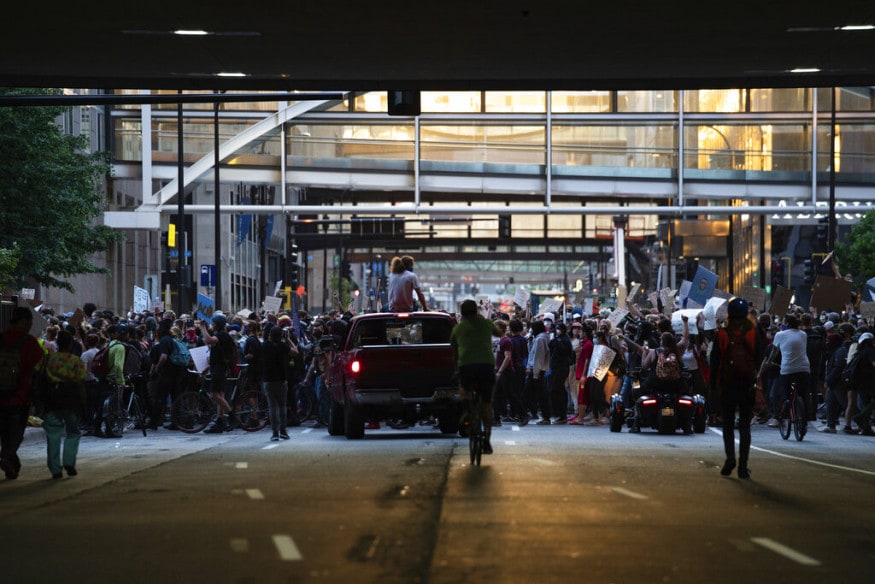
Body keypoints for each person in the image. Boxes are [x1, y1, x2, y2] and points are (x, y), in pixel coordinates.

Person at [713, 297, 763, 479]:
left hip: (728, 384)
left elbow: (715, 362)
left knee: (727, 424)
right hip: (747, 384)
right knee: (744, 426)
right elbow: (759, 357)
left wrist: (713, 386)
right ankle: (743, 465)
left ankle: (730, 459)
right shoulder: (754, 332)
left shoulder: (722, 334)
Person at [450, 299, 503, 454]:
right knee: (487, 403)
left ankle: (466, 408)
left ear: (462, 312)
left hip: (466, 366)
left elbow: (454, 350)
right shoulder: (485, 324)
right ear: (476, 311)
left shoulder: (458, 328)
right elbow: (499, 333)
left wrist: (456, 369)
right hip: (486, 366)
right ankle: (486, 438)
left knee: (464, 387)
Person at [0, 307, 45, 480]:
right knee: (16, 433)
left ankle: (10, 463)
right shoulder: (29, 342)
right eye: (29, 322)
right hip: (20, 396)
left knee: (5, 432)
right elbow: (38, 366)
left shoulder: (1, 339)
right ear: (23, 322)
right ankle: (7, 457)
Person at [38, 329, 87, 479]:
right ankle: (69, 462)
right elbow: (80, 383)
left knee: (53, 434)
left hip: (51, 400)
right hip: (70, 400)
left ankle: (55, 469)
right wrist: (84, 404)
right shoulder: (75, 361)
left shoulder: (48, 359)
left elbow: (39, 378)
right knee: (73, 432)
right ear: (70, 343)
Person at [763, 314, 811, 429]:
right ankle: (805, 414)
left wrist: (769, 363)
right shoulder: (803, 334)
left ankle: (786, 402)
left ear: (787, 324)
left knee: (784, 389)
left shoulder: (780, 335)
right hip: (804, 367)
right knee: (803, 392)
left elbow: (774, 352)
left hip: (788, 368)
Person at [200, 313, 239, 433]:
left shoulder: (221, 334)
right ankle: (220, 422)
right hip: (219, 367)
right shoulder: (222, 335)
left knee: (214, 395)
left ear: (217, 324)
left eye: (213, 324)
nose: (212, 325)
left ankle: (232, 417)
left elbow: (209, 339)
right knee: (220, 396)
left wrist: (202, 328)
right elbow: (210, 343)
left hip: (219, 368)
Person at [261, 325, 297, 440]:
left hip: (268, 379)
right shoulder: (283, 346)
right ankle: (283, 431)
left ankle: (275, 433)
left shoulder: (265, 345)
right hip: (281, 379)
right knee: (282, 405)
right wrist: (288, 339)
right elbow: (295, 352)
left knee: (272, 406)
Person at [547, 322, 575, 424]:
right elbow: (550, 347)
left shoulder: (565, 340)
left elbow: (565, 350)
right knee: (555, 390)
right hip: (555, 367)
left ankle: (561, 414)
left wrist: (557, 341)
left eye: (559, 329)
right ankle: (557, 413)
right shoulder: (557, 339)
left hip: (561, 367)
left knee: (558, 390)